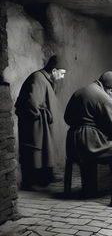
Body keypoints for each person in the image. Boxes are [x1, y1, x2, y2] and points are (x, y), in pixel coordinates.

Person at [64, 71, 112, 209]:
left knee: (99, 148)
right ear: (110, 90)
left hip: (72, 143)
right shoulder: (104, 98)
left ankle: (89, 190)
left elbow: (67, 118)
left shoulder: (80, 91)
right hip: (88, 144)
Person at [15, 55, 66, 190]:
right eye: (61, 73)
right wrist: (43, 115)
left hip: (41, 124)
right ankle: (30, 183)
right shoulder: (38, 79)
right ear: (54, 71)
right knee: (34, 151)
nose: (62, 77)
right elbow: (32, 104)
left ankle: (44, 178)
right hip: (34, 125)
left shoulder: (45, 79)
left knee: (44, 151)